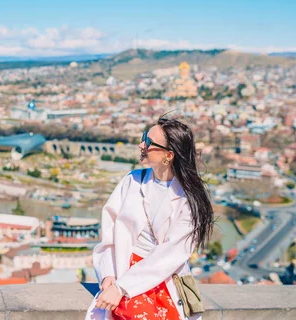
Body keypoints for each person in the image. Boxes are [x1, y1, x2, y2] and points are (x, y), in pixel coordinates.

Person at [85, 117, 214, 320]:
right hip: (123, 267)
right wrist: (108, 274)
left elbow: (171, 254)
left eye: (149, 142)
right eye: (144, 137)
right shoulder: (132, 180)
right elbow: (109, 232)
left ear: (168, 155)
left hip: (160, 279)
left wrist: (121, 288)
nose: (141, 144)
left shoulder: (189, 199)